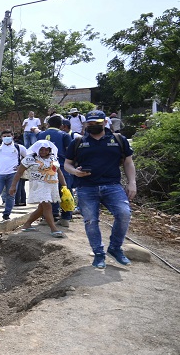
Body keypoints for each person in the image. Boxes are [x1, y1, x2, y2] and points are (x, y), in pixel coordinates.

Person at [64, 109, 136, 269]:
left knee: (124, 214)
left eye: (96, 123)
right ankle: (98, 254)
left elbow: (128, 162)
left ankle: (115, 248)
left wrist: (132, 182)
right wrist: (75, 171)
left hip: (112, 185)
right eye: (90, 123)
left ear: (104, 122)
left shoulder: (118, 139)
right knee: (90, 221)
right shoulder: (78, 142)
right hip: (86, 187)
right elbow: (67, 164)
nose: (93, 126)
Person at [9, 140, 67, 238]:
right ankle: (54, 229)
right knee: (47, 206)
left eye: (46, 150)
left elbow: (59, 173)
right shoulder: (29, 159)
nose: (43, 152)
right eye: (41, 150)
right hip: (38, 185)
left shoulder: (53, 158)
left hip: (51, 185)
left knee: (42, 207)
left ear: (49, 150)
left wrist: (65, 187)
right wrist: (13, 186)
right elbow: (19, 173)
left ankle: (27, 225)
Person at [0, 130, 27, 223]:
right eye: (5, 136)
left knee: (10, 195)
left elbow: (28, 158)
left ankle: (6, 214)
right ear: (2, 137)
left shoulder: (19, 147)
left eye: (8, 135)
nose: (7, 137)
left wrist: (21, 166)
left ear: (12, 136)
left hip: (13, 175)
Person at [37, 115, 73, 226]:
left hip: (44, 167)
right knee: (65, 191)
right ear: (61, 125)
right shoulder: (65, 135)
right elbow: (71, 152)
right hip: (61, 166)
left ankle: (50, 216)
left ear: (48, 124)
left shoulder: (40, 135)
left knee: (47, 192)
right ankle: (66, 218)